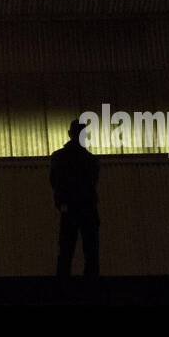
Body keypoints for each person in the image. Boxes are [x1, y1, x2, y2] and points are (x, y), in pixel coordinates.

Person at [49, 117, 100, 277]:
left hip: (69, 207)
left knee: (66, 249)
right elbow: (92, 182)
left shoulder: (59, 157)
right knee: (90, 249)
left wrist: (62, 201)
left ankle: (63, 285)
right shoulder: (91, 160)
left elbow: (54, 181)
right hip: (87, 207)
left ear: (70, 134)